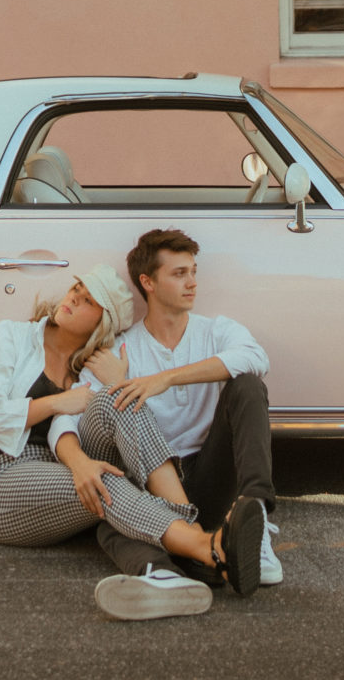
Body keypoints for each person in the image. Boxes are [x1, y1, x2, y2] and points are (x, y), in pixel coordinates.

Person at [0, 263, 264, 619]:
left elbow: (103, 419)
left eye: (87, 301)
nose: (72, 300)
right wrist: (53, 404)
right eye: (75, 291)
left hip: (63, 472)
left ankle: (177, 563)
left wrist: (119, 381)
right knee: (105, 480)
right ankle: (204, 545)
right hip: (3, 480)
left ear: (103, 323)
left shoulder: (90, 366)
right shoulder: (13, 337)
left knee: (121, 398)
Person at [92, 228, 282, 589]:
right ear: (147, 282)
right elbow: (87, 411)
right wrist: (118, 381)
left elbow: (256, 358)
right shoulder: (122, 348)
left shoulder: (215, 330)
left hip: (210, 473)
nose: (192, 282)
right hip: (156, 485)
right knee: (111, 522)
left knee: (248, 385)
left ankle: (255, 516)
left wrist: (167, 378)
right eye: (179, 274)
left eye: (193, 271)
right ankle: (189, 567)